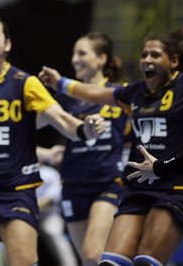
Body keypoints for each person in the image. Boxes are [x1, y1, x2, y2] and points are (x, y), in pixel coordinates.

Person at [39, 26, 183, 266]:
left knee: (143, 262)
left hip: (178, 186)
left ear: (174, 61)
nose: (148, 59)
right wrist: (61, 83)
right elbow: (96, 93)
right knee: (106, 263)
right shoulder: (135, 92)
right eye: (144, 55)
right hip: (139, 184)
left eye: (155, 55)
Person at [0, 16, 105, 266]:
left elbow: (64, 121)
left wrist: (87, 130)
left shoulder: (25, 84)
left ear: (7, 44)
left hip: (17, 190)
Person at [52, 32, 130, 266]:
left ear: (101, 59)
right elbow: (32, 122)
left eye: (82, 53)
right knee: (88, 262)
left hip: (107, 182)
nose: (75, 59)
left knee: (92, 254)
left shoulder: (121, 92)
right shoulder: (65, 97)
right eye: (74, 54)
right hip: (73, 185)